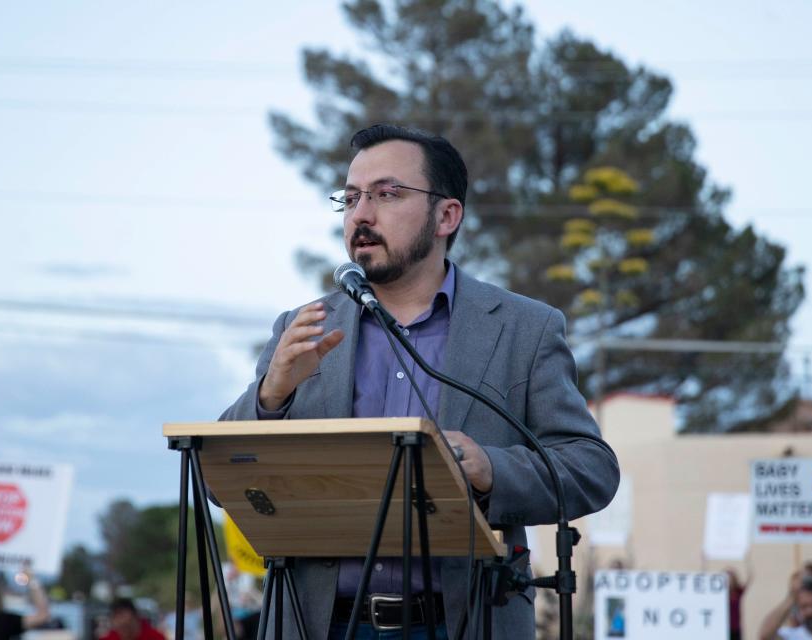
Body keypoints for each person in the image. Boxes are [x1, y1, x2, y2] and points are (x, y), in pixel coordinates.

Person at [220, 123, 620, 639]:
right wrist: (271, 396)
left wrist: (491, 468)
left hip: (463, 621)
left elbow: (591, 467)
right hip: (318, 624)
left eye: (387, 194)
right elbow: (214, 473)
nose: (361, 214)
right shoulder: (304, 328)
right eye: (351, 197)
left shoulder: (524, 329)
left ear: (446, 215)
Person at [101, 599, 165, 640]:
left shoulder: (156, 637)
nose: (120, 622)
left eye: (122, 615)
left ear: (135, 616)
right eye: (115, 617)